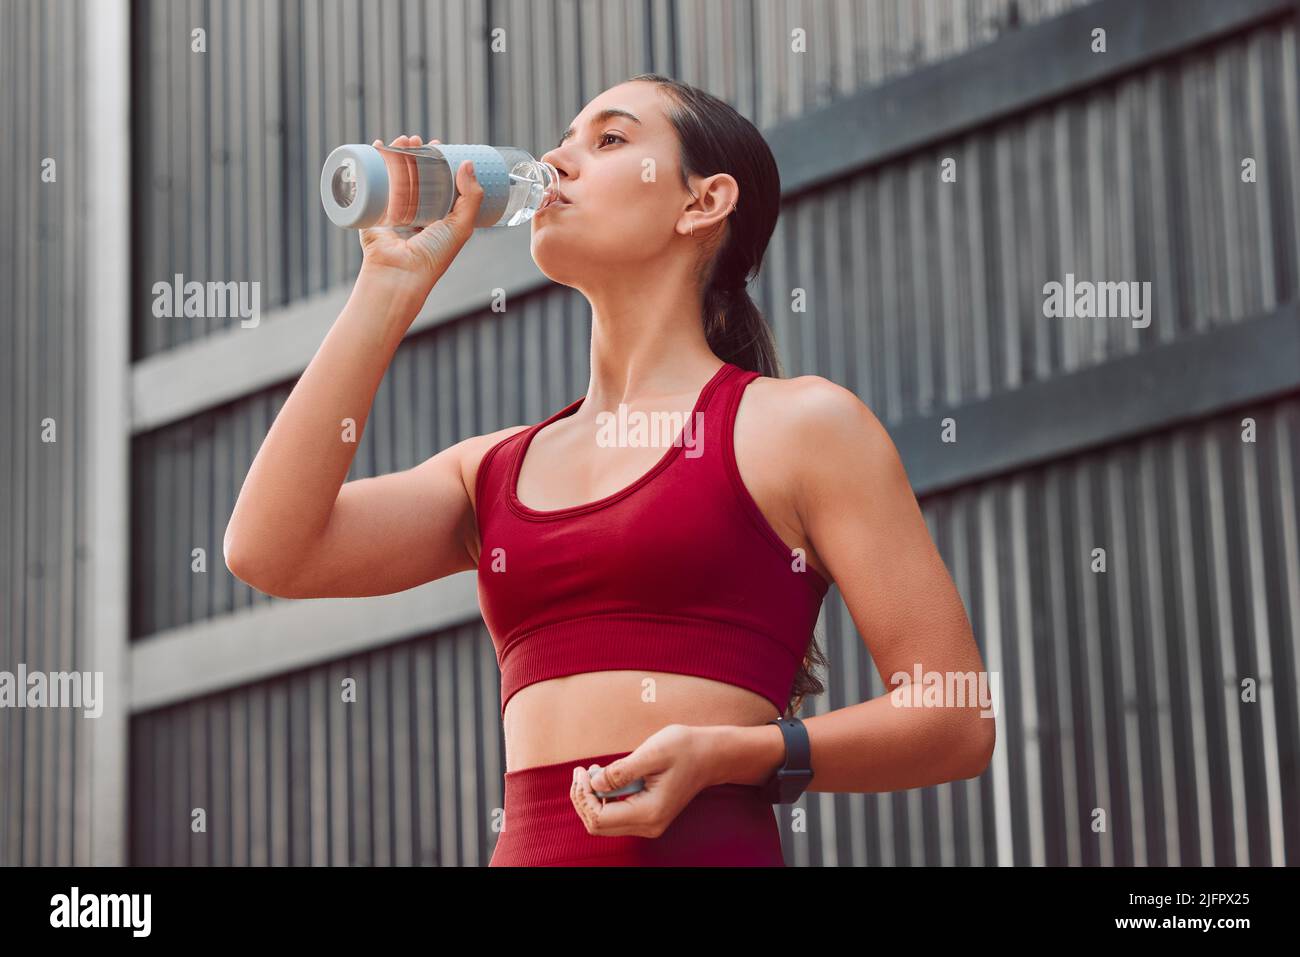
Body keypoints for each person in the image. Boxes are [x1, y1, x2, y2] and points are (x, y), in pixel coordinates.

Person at [224, 73, 994, 867]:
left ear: (702, 202)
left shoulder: (802, 426)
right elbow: (270, 549)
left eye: (610, 139)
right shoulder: (491, 470)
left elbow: (955, 720)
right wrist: (388, 287)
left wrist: (732, 752)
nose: (558, 158)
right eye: (564, 138)